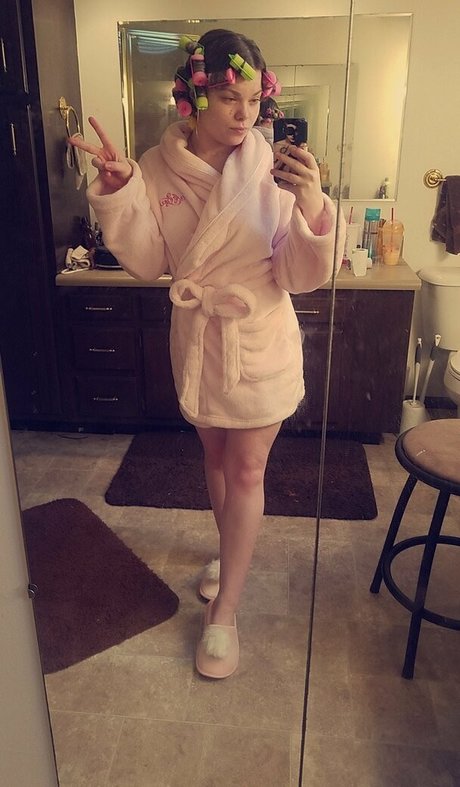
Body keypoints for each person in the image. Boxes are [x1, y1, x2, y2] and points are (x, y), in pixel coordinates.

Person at [70, 28, 345, 680]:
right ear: (192, 99)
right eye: (227, 97)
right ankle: (229, 554)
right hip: (199, 340)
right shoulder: (158, 167)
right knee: (216, 461)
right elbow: (148, 262)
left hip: (257, 340)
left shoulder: (271, 165)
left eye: (252, 98)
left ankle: (225, 611)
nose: (244, 113)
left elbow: (297, 275)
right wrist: (121, 191)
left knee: (247, 470)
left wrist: (313, 206)